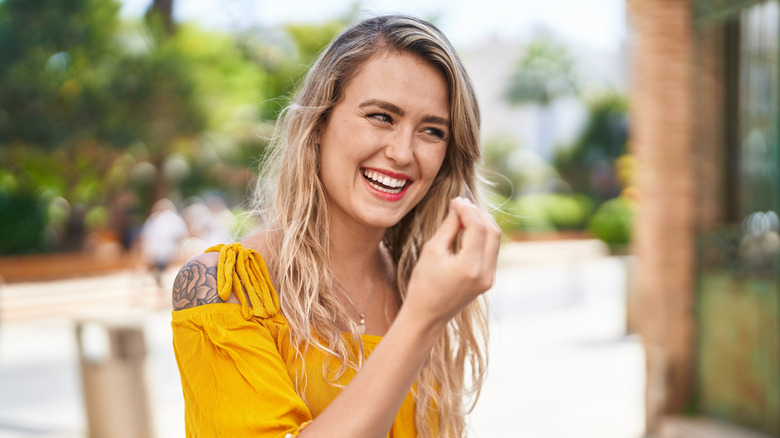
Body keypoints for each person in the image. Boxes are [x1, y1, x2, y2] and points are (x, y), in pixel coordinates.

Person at [171, 14, 500, 438]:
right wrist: (421, 319)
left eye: (432, 131)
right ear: (319, 123)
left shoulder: (420, 287)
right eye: (381, 116)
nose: (403, 153)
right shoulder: (226, 286)